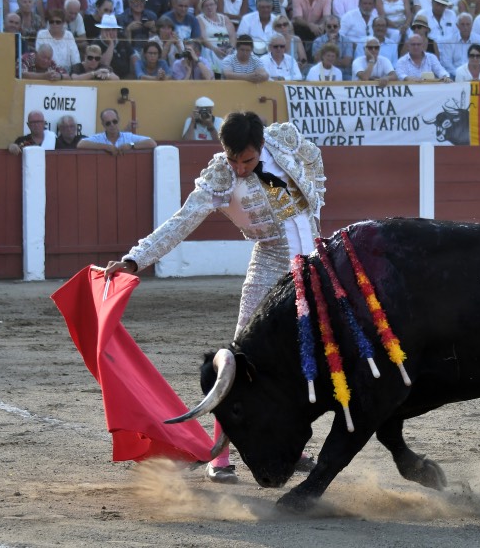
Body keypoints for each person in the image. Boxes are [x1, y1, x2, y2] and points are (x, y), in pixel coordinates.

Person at [101, 113, 325, 483]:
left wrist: (315, 197)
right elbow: (183, 219)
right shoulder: (221, 174)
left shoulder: (282, 138)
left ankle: (292, 442)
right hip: (270, 267)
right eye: (232, 158)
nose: (238, 168)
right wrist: (134, 259)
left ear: (261, 146)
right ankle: (219, 457)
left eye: (247, 160)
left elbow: (313, 155)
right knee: (239, 366)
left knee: (303, 359)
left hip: (313, 266)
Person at [78, 107, 158, 155]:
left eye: (114, 121)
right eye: (108, 123)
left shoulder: (128, 137)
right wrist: (106, 147)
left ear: (118, 120)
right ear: (103, 124)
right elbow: (81, 144)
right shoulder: (99, 138)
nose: (112, 125)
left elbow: (152, 143)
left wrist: (131, 145)